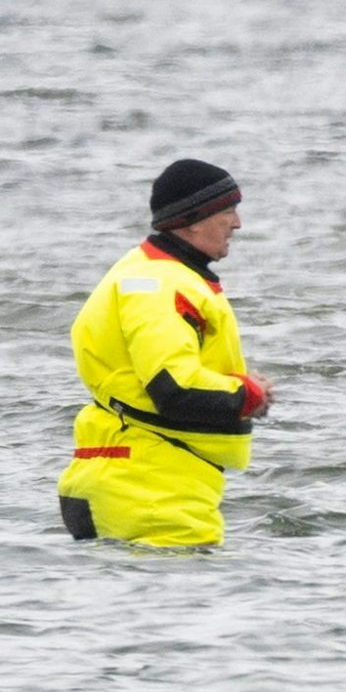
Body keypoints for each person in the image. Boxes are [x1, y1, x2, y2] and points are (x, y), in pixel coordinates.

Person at [57, 158, 274, 548]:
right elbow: (174, 389)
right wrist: (247, 394)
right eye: (227, 211)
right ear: (192, 221)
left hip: (139, 477)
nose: (237, 224)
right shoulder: (160, 285)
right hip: (151, 492)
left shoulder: (147, 269)